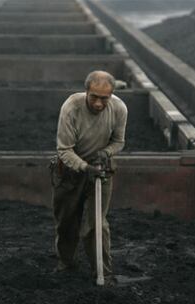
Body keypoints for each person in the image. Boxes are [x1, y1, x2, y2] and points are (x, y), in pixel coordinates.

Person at [50, 70, 128, 285]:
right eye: (94, 96)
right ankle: (66, 264)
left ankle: (103, 273)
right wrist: (84, 167)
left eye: (104, 98)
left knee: (97, 225)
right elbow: (64, 149)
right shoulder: (71, 108)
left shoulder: (119, 108)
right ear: (86, 91)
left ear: (111, 95)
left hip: (100, 172)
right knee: (67, 222)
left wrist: (106, 153)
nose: (98, 103)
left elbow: (118, 141)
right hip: (69, 173)